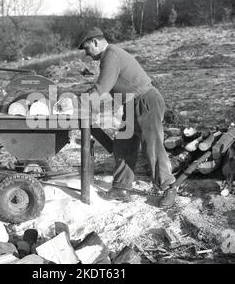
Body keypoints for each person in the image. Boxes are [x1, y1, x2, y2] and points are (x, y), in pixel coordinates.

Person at [73, 27, 177, 208]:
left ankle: (169, 188)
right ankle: (121, 188)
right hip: (132, 104)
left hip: (145, 102)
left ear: (95, 42)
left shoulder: (110, 56)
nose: (87, 54)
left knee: (152, 147)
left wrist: (75, 102)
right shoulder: (109, 56)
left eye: (86, 48)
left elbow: (102, 87)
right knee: (123, 144)